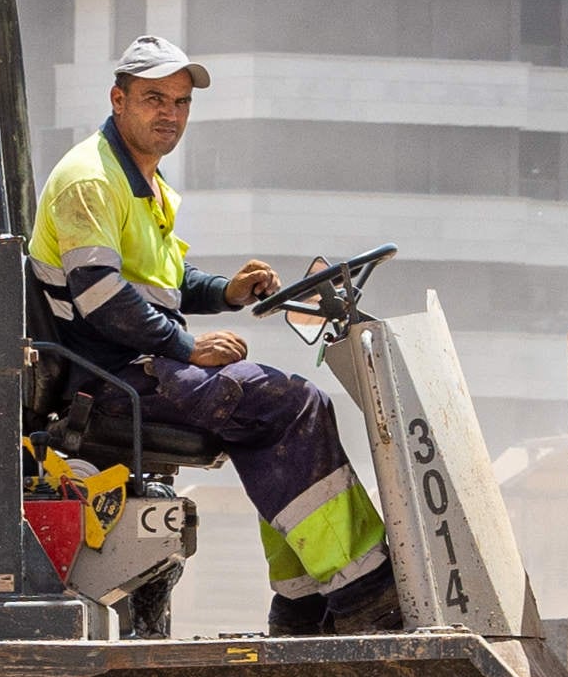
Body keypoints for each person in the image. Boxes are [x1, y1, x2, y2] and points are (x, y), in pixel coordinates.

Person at [29, 34, 399, 636]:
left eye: (179, 102)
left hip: (136, 367)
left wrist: (225, 291)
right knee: (291, 402)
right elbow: (100, 297)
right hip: (112, 379)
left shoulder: (143, 185)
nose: (169, 114)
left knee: (270, 420)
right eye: (154, 99)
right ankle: (363, 593)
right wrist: (187, 347)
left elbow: (163, 286)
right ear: (118, 99)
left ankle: (303, 604)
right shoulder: (90, 180)